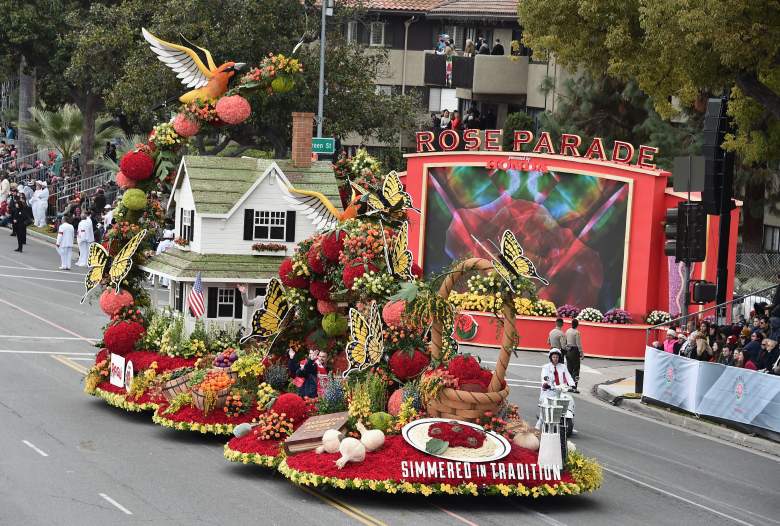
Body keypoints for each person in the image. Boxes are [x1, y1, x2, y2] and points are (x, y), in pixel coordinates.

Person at [536, 348, 575, 429]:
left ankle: (569, 417)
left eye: (557, 357)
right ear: (551, 357)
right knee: (545, 408)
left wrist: (572, 384)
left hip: (560, 390)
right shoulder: (546, 367)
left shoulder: (563, 366)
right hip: (548, 391)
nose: (555, 359)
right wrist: (545, 384)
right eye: (553, 357)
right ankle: (538, 425)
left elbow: (568, 376)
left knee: (569, 400)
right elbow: (544, 377)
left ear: (559, 357)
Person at [564, 319, 584, 391]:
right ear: (577, 325)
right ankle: (574, 387)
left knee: (569, 368)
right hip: (575, 351)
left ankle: (568, 385)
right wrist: (581, 353)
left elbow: (565, 341)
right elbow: (578, 344)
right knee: (576, 369)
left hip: (568, 351)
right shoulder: (577, 332)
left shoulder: (567, 331)